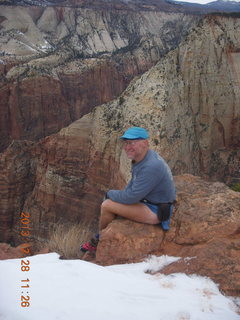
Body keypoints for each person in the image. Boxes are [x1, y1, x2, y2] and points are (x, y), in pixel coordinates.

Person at [81, 126, 176, 253]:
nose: (127, 147)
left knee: (107, 205)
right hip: (150, 202)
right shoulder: (144, 157)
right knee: (115, 202)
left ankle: (99, 240)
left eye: (132, 143)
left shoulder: (151, 166)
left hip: (157, 211)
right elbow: (133, 185)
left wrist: (110, 194)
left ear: (145, 143)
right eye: (126, 143)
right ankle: (102, 236)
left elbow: (132, 196)